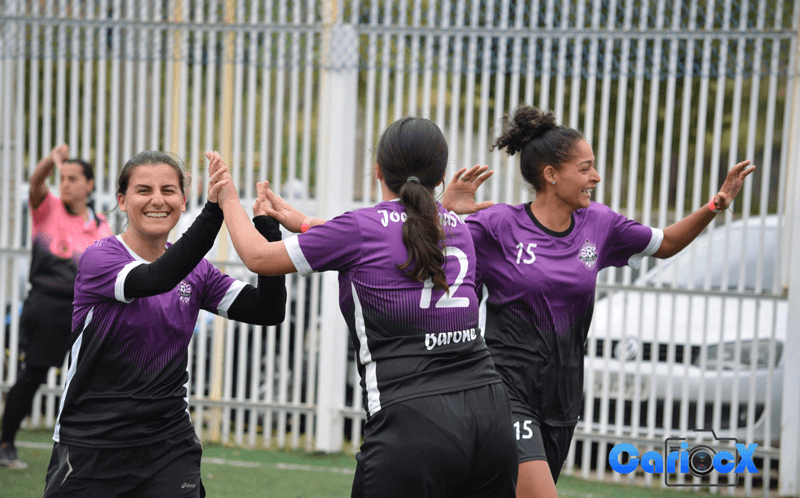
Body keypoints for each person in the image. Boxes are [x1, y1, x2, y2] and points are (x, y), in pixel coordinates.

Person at [441, 104, 755, 498]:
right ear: (551, 175)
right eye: (585, 168)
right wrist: (444, 214)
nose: (596, 176)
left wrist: (715, 205)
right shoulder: (499, 224)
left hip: (562, 396)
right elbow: (425, 256)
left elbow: (666, 243)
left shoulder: (600, 224)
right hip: (506, 389)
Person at [214, 117, 518, 497]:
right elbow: (394, 236)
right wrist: (306, 224)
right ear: (440, 177)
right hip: (491, 413)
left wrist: (228, 199)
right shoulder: (457, 227)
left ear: (377, 170)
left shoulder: (359, 229)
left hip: (414, 421)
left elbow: (258, 256)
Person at [42, 151, 287, 497]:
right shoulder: (100, 258)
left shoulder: (197, 271)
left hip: (169, 446)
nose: (157, 200)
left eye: (169, 190)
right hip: (93, 443)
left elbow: (267, 310)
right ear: (122, 201)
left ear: (183, 201)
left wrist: (268, 233)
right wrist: (215, 209)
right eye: (144, 190)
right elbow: (157, 278)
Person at [0, 144, 113, 469]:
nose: (64, 184)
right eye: (62, 178)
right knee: (33, 374)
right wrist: (51, 161)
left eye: (72, 178)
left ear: (90, 184)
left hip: (86, 311)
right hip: (47, 306)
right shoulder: (47, 208)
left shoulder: (102, 225)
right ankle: (5, 443)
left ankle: (88, 448)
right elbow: (37, 182)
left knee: (90, 379)